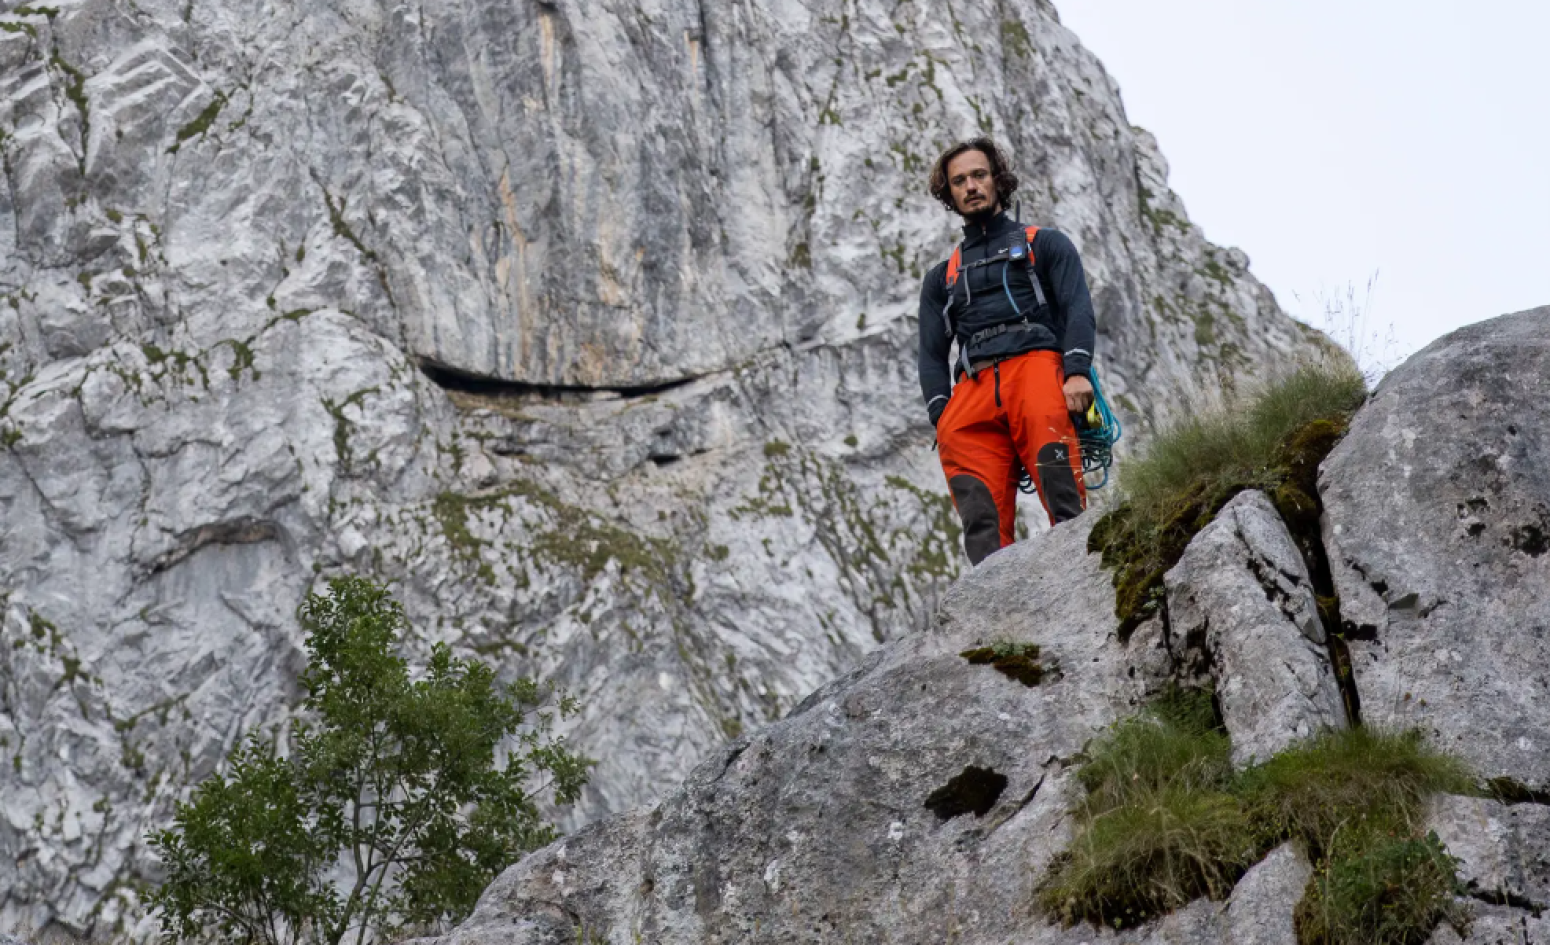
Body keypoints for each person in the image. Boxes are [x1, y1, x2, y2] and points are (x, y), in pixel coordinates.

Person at [917, 137, 1098, 565]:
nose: (971, 186)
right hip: (972, 391)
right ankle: (994, 619)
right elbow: (930, 353)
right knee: (979, 518)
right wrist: (942, 417)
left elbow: (1078, 308)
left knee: (1062, 490)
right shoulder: (940, 277)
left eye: (979, 175)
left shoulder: (1046, 244)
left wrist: (1077, 371)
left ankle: (1080, 577)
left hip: (1037, 371)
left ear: (998, 179)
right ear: (949, 193)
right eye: (958, 181)